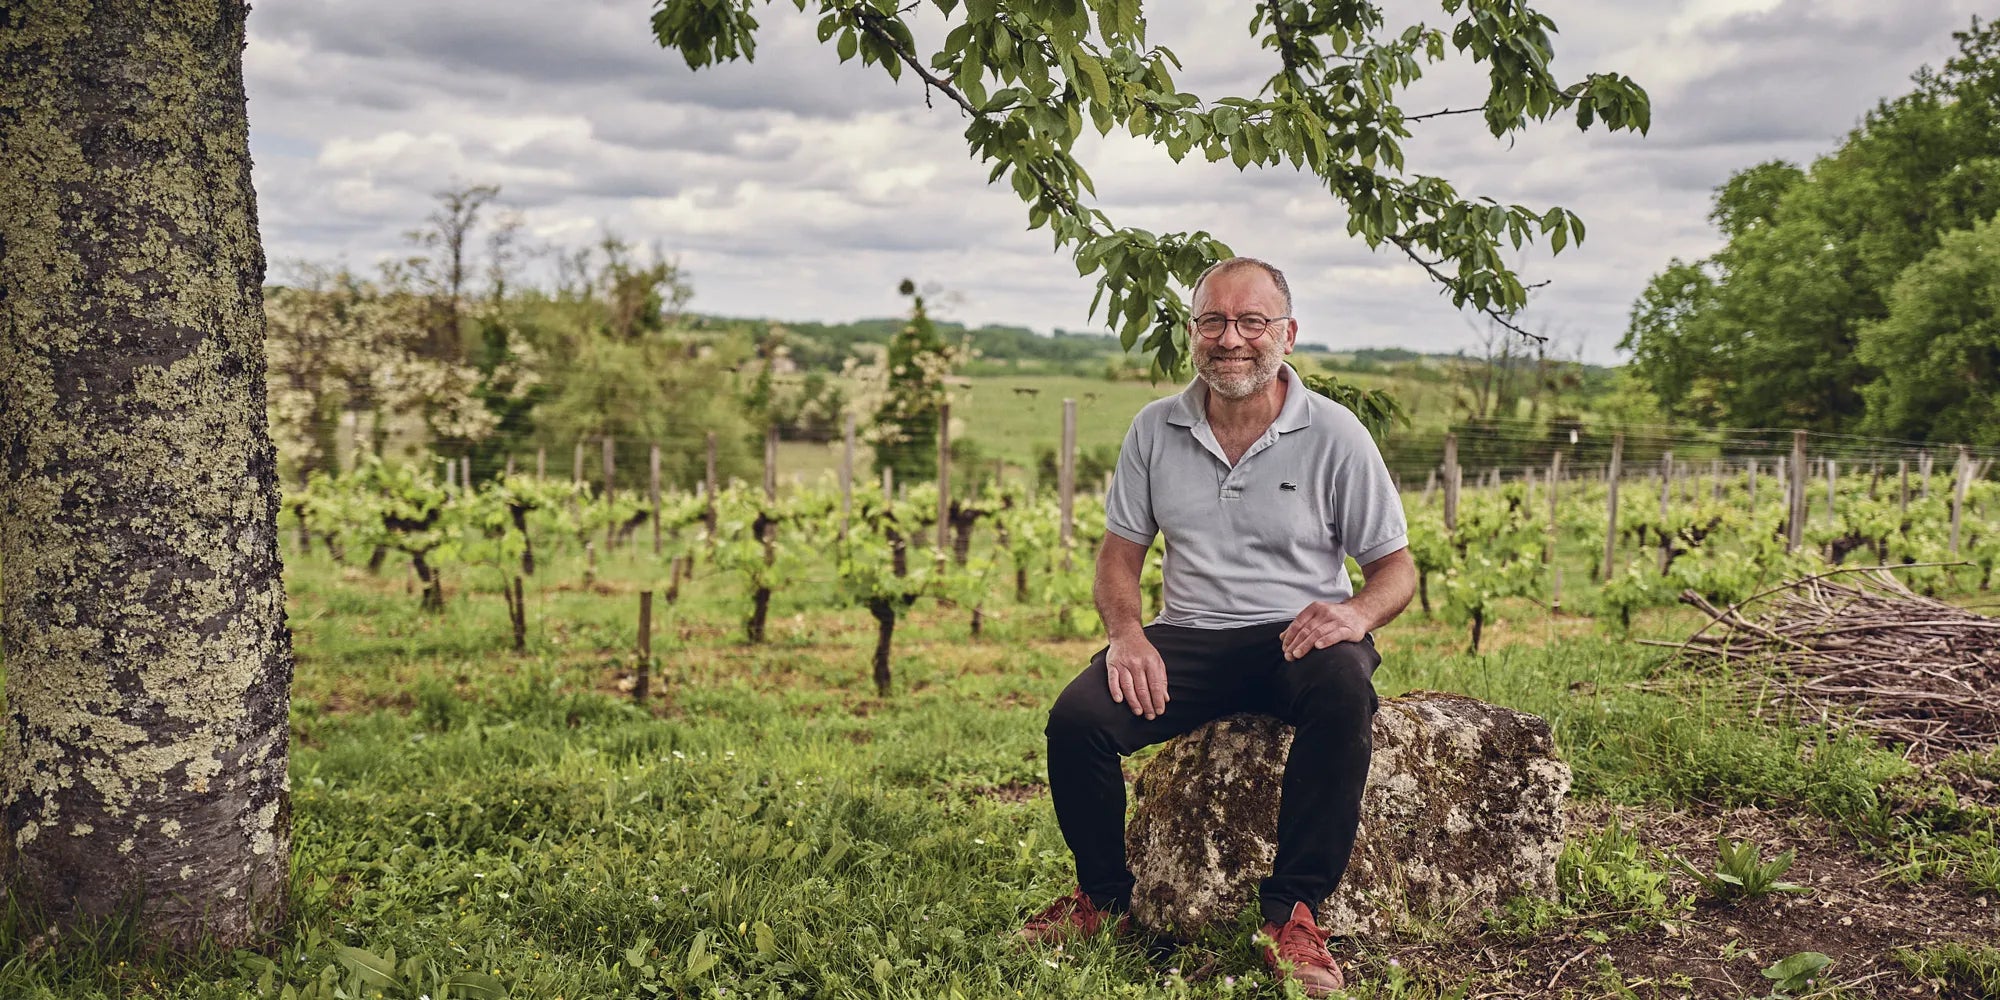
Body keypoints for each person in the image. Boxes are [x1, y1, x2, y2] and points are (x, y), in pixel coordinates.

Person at [1016, 257, 1416, 997]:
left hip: (1297, 636)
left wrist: (1354, 613)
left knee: (1342, 687)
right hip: (1190, 635)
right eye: (1212, 321)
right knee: (1077, 721)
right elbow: (1118, 559)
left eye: (1251, 321)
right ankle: (1105, 902)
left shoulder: (1335, 433)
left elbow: (1397, 570)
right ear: (1192, 332)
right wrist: (1127, 635)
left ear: (1287, 334)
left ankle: (1292, 913)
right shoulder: (1154, 428)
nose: (1231, 338)